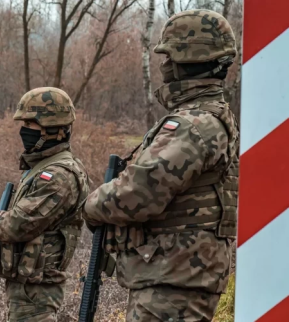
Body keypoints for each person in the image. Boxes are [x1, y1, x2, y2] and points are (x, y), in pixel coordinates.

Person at [82, 9, 239, 322]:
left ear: (188, 60)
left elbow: (136, 194)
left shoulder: (192, 124)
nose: (164, 65)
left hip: (175, 279)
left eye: (170, 56)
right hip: (173, 275)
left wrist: (91, 204)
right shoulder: (208, 116)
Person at [0, 87, 90, 322]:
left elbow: (18, 225)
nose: (24, 131)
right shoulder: (42, 167)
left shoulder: (59, 175)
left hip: (37, 294)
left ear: (51, 129)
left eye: (30, 124)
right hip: (27, 290)